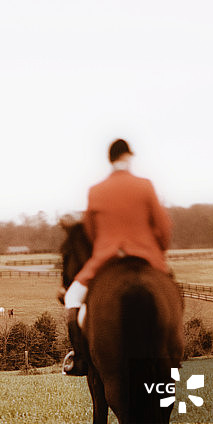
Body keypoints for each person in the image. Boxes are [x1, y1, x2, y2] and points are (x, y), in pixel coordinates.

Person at [64, 139, 173, 327]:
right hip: (147, 255)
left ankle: (79, 355)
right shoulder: (145, 186)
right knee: (172, 296)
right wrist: (158, 251)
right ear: (128, 157)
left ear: (110, 160)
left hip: (106, 258)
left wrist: (103, 246)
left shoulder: (95, 191)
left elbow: (91, 233)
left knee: (72, 297)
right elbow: (164, 227)